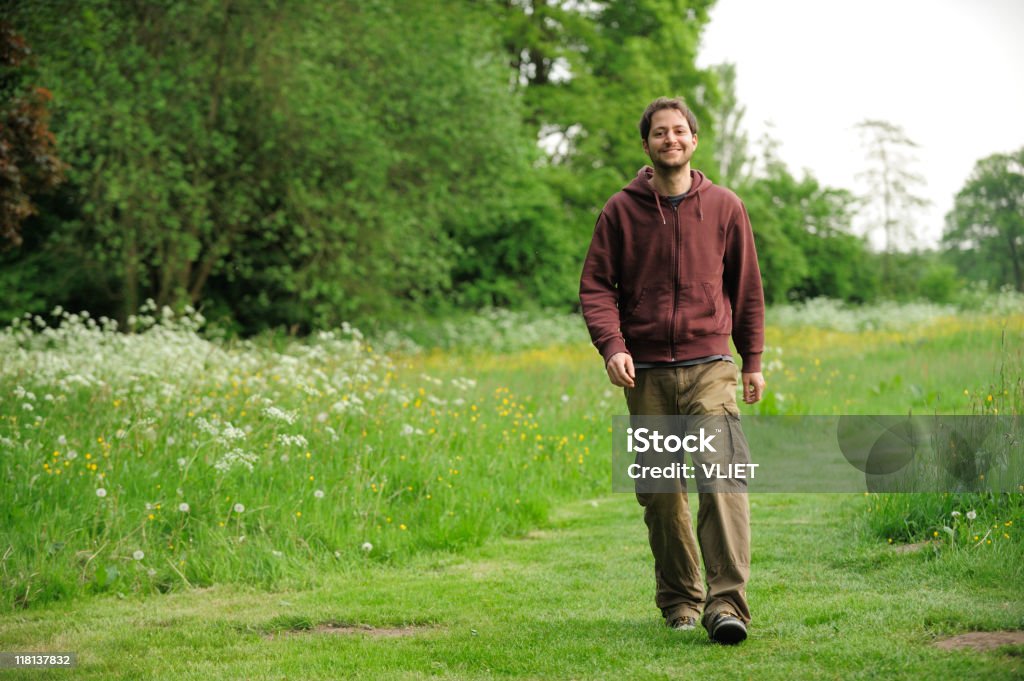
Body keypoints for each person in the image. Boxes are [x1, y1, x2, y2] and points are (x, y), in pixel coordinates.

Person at [579, 96, 766, 645]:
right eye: (660, 133)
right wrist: (612, 345)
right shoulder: (620, 210)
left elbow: (747, 290)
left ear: (694, 140)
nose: (671, 140)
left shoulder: (727, 206)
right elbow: (595, 288)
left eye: (679, 131)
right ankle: (681, 600)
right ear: (646, 145)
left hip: (711, 364)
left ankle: (726, 603)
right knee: (661, 494)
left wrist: (751, 359)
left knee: (722, 478)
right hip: (648, 374)